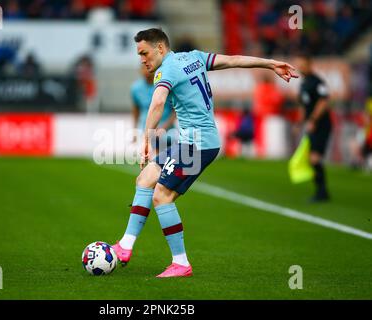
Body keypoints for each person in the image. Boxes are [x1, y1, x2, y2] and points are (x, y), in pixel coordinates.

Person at [112, 28, 298, 278]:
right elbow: (233, 60)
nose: (142, 59)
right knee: (145, 179)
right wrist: (270, 63)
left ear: (160, 48)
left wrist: (147, 138)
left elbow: (157, 103)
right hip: (192, 141)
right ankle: (125, 246)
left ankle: (180, 263)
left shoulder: (166, 70)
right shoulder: (194, 58)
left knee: (162, 196)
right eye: (139, 55)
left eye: (144, 53)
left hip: (197, 144)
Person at [294, 53, 332, 202]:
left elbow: (323, 102)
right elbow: (304, 106)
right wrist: (299, 123)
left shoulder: (317, 82)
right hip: (312, 125)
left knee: (314, 158)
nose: (300, 67)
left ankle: (322, 192)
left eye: (302, 64)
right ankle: (321, 191)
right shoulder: (303, 84)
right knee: (312, 159)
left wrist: (313, 120)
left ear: (309, 64)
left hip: (321, 125)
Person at [131, 64, 176, 155]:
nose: (145, 70)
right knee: (155, 160)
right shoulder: (136, 88)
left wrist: (164, 126)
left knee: (165, 160)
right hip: (147, 130)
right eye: (142, 67)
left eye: (146, 67)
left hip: (167, 131)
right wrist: (135, 130)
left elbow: (175, 110)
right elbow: (136, 111)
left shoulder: (165, 85)